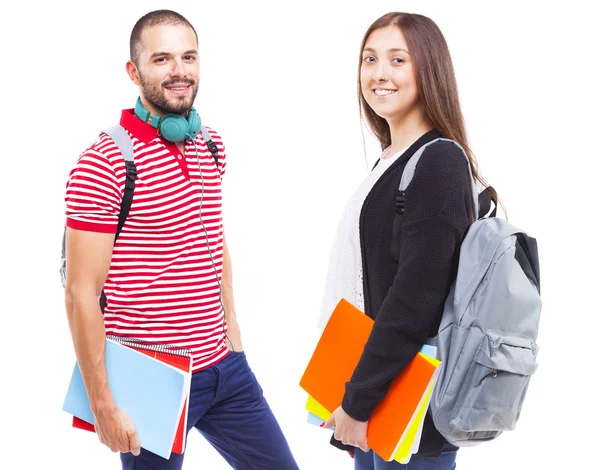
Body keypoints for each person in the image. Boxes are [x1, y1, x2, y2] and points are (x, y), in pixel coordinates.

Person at [63, 9, 298, 470]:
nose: (179, 71)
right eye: (162, 59)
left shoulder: (211, 144)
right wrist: (104, 403)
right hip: (153, 376)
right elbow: (80, 293)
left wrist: (233, 332)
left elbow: (214, 238)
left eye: (188, 57)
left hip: (226, 369)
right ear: (134, 71)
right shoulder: (105, 162)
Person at [319, 12, 500, 469]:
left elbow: (415, 297)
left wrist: (358, 398)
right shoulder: (393, 160)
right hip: (381, 397)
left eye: (397, 59)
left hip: (412, 407)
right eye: (370, 59)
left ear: (428, 69)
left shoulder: (438, 162)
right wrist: (343, 390)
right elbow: (369, 290)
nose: (379, 73)